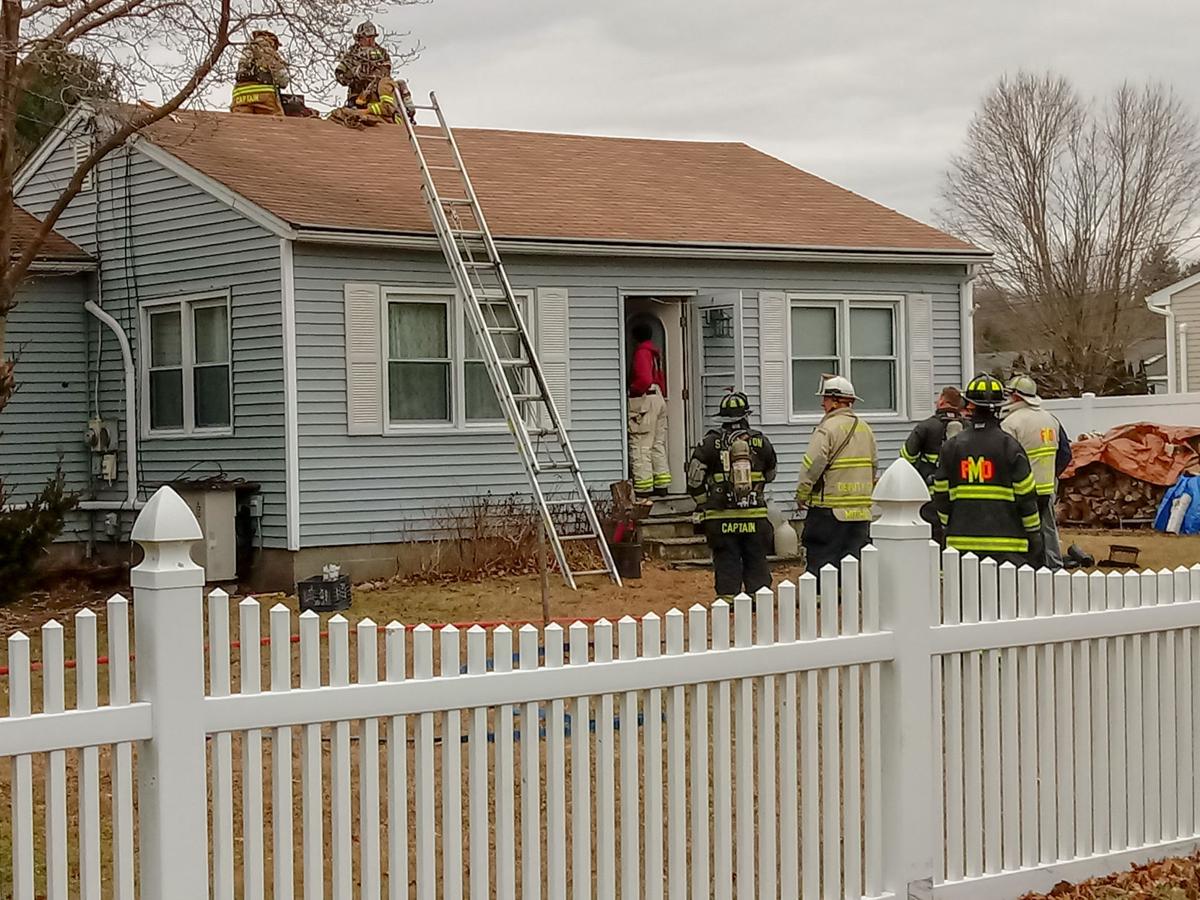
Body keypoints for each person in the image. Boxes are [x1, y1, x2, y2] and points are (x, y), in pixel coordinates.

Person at [932, 374, 1043, 567]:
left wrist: (947, 524)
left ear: (969, 405)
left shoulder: (952, 446)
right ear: (1000, 406)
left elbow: (941, 494)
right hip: (1008, 548)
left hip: (961, 546)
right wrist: (1034, 534)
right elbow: (1026, 497)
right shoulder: (1010, 446)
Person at [687, 391, 778, 600]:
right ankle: (759, 599)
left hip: (720, 517)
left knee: (726, 559)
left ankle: (728, 601)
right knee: (756, 558)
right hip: (755, 516)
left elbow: (694, 480)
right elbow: (771, 475)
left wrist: (703, 504)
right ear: (746, 415)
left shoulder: (709, 443)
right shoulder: (761, 442)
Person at [795, 375, 878, 574]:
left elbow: (812, 466)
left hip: (829, 510)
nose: (822, 403)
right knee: (851, 562)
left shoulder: (827, 429)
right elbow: (873, 466)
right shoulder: (865, 429)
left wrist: (802, 494)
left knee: (822, 559)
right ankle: (847, 598)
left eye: (825, 398)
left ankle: (821, 598)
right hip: (861, 511)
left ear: (835, 401)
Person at [1001, 374, 1063, 569]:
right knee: (1048, 530)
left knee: (1024, 530)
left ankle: (1028, 567)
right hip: (1048, 486)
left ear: (1017, 397)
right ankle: (1053, 565)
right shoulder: (1050, 419)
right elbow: (1063, 453)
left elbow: (1006, 459)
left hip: (1025, 488)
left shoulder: (1011, 423)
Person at [901, 385, 965, 544]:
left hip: (930, 495)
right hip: (961, 495)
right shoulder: (968, 428)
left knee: (932, 539)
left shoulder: (926, 427)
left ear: (942, 402)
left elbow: (906, 457)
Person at [627, 321, 670, 498]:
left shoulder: (641, 353)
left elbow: (644, 379)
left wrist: (633, 390)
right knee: (657, 444)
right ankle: (662, 484)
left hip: (645, 399)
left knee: (641, 445)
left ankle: (644, 489)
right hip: (658, 398)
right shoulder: (654, 353)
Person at [230, 30, 290, 117]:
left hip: (240, 96)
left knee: (240, 125)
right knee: (276, 124)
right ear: (272, 41)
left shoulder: (247, 50)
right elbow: (283, 80)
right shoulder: (267, 50)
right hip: (264, 95)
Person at [335, 22, 392, 105]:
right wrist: (353, 75)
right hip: (357, 98)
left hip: (379, 97)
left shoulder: (382, 53)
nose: (370, 41)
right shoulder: (351, 55)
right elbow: (339, 74)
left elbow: (386, 71)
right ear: (359, 38)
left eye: (372, 37)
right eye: (367, 37)